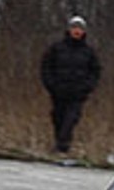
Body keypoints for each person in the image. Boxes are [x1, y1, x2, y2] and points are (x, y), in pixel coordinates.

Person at [39, 16, 101, 155]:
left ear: (84, 31)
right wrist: (51, 85)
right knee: (58, 118)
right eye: (74, 28)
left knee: (71, 119)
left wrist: (87, 87)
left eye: (80, 28)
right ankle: (59, 144)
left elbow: (95, 72)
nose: (77, 31)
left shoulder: (89, 52)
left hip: (78, 94)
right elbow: (46, 67)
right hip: (58, 91)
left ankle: (62, 146)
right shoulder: (56, 48)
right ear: (69, 30)